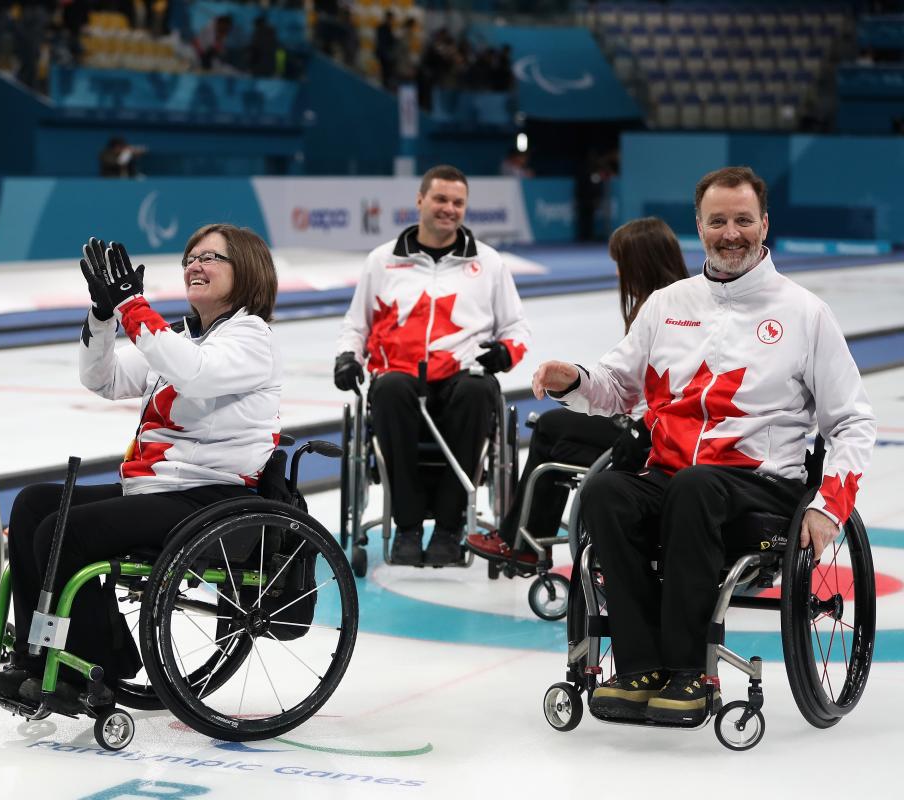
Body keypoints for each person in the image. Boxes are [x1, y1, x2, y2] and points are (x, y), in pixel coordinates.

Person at [531, 166, 876, 725]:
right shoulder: (668, 304)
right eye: (718, 221)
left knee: (694, 487)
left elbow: (852, 422)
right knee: (605, 494)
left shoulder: (804, 313)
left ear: (765, 224)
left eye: (743, 220)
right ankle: (639, 668)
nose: (731, 233)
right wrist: (573, 378)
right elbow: (617, 387)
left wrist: (828, 505)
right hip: (674, 479)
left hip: (760, 488)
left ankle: (690, 672)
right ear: (700, 225)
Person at [0, 224, 283, 713]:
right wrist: (104, 316)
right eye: (190, 256)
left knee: (69, 532)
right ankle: (35, 655)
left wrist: (132, 308)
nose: (195, 264)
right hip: (157, 491)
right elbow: (101, 379)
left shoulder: (252, 337)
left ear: (247, 270)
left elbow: (196, 373)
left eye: (211, 257)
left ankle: (95, 666)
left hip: (210, 497)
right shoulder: (185, 339)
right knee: (33, 504)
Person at [334, 164, 531, 567]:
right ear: (420, 200)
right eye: (440, 199)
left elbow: (517, 328)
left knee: (479, 390)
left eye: (458, 202)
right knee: (388, 389)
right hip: (401, 378)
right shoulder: (382, 261)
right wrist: (346, 358)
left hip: (463, 378)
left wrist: (505, 353)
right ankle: (406, 529)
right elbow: (356, 325)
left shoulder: (489, 263)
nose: (449, 208)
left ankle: (449, 527)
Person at [467, 217, 690, 563]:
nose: (618, 275)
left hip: (651, 437)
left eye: (621, 265)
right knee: (555, 431)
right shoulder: (671, 304)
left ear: (640, 264)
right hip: (649, 427)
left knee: (551, 430)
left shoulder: (663, 309)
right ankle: (523, 540)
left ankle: (521, 543)